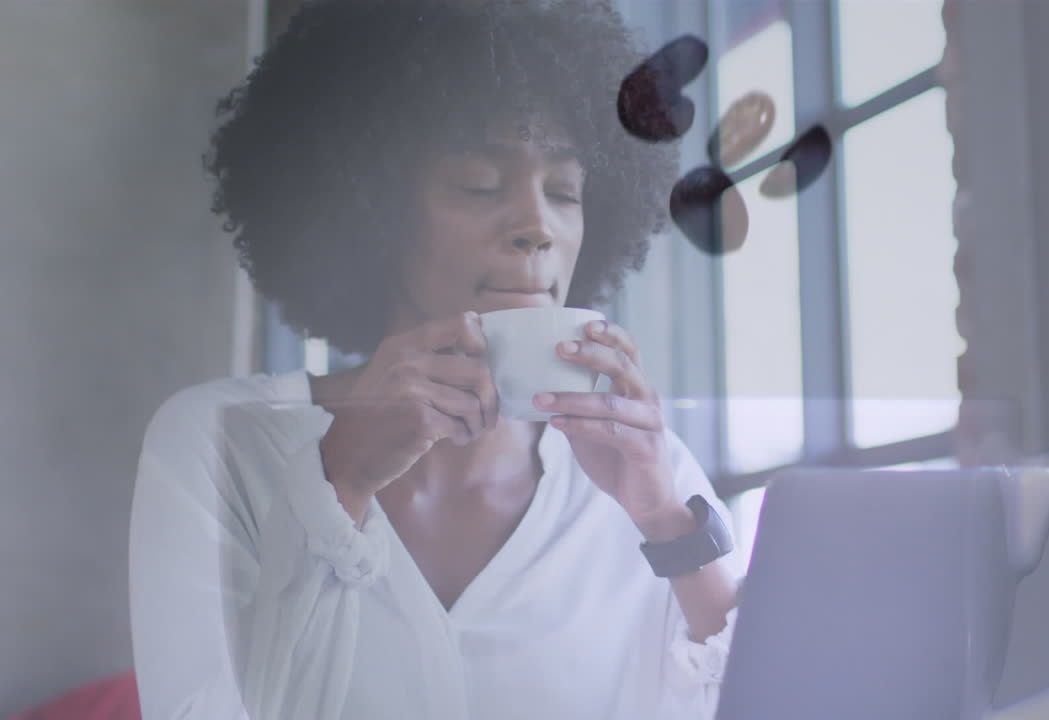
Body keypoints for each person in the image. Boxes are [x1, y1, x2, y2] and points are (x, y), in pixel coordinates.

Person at [127, 1, 744, 718]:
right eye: (480, 184)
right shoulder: (220, 437)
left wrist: (665, 522)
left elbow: (756, 698)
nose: (536, 228)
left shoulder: (644, 468)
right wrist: (339, 482)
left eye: (565, 194)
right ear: (373, 212)